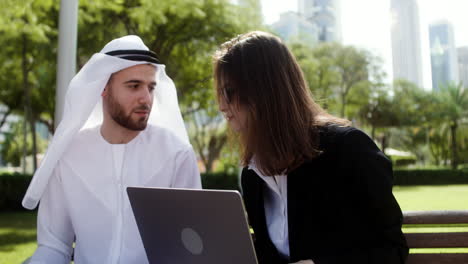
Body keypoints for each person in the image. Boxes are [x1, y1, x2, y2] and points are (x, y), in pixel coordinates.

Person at [212, 31, 408, 264]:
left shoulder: (349, 150)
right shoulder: (251, 174)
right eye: (220, 93)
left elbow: (390, 249)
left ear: (265, 90)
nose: (222, 106)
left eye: (229, 92)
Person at [24, 35, 201, 264]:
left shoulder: (176, 154)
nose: (146, 98)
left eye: (150, 87)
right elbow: (54, 245)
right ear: (103, 88)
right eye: (134, 86)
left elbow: (190, 247)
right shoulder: (68, 155)